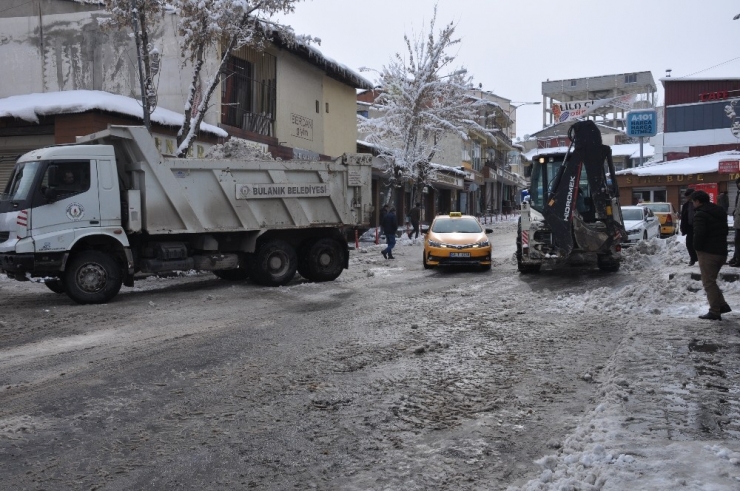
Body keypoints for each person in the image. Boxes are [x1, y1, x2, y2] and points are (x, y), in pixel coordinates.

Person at [691, 190, 732, 320]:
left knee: (708, 282)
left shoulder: (700, 214)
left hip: (708, 253)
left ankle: (715, 311)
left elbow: (699, 234)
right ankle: (722, 305)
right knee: (711, 281)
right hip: (721, 251)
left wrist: (696, 248)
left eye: (693, 201)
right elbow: (725, 230)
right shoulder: (719, 211)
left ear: (697, 201)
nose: (693, 204)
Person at [679, 188, 698, 266]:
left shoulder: (698, 203)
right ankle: (693, 258)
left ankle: (701, 258)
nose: (688, 198)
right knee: (689, 243)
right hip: (690, 226)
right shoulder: (686, 205)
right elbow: (684, 217)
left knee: (699, 243)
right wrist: (682, 226)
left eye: (688, 197)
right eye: (687, 197)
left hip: (699, 226)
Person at [729, 177, 740, 267]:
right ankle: (736, 257)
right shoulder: (738, 193)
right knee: (737, 241)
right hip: (738, 221)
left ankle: (738, 259)